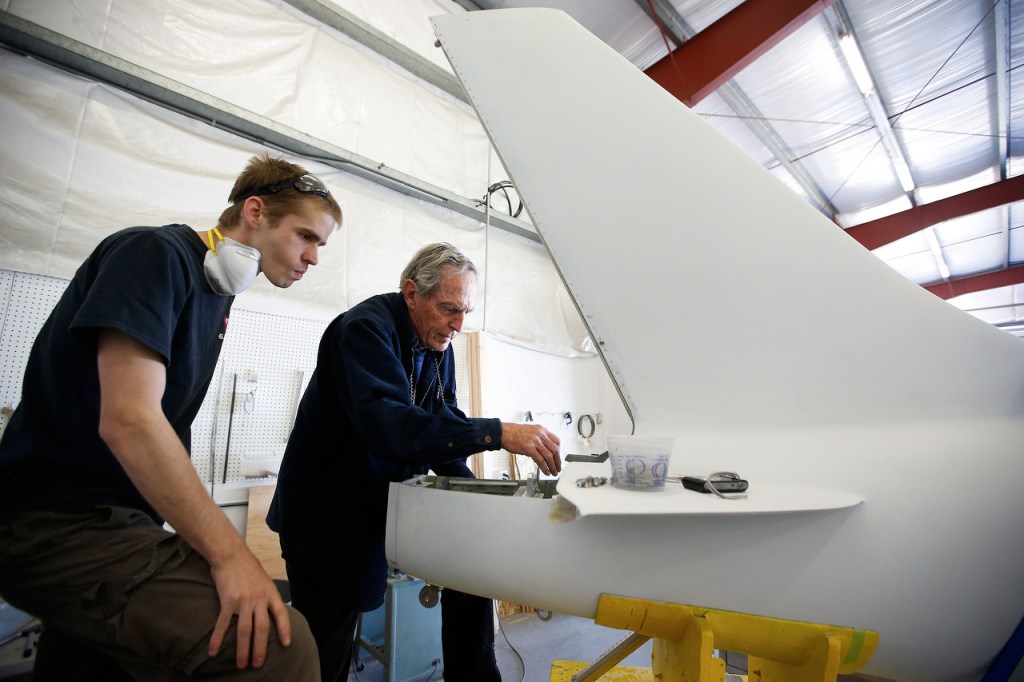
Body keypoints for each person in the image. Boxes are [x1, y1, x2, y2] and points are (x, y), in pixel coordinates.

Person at [0, 153, 342, 681]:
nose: (313, 257)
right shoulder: (154, 254)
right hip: (55, 520)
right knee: (283, 646)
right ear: (255, 211)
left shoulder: (213, 296)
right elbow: (130, 421)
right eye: (306, 236)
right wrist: (231, 556)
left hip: (115, 523)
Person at [267, 242, 561, 682]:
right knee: (325, 645)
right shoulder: (365, 330)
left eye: (464, 312)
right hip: (326, 515)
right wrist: (497, 432)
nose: (458, 325)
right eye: (448, 309)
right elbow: (393, 427)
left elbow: (442, 421)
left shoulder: (437, 340)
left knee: (471, 566)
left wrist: (482, 499)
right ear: (411, 293)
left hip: (385, 502)